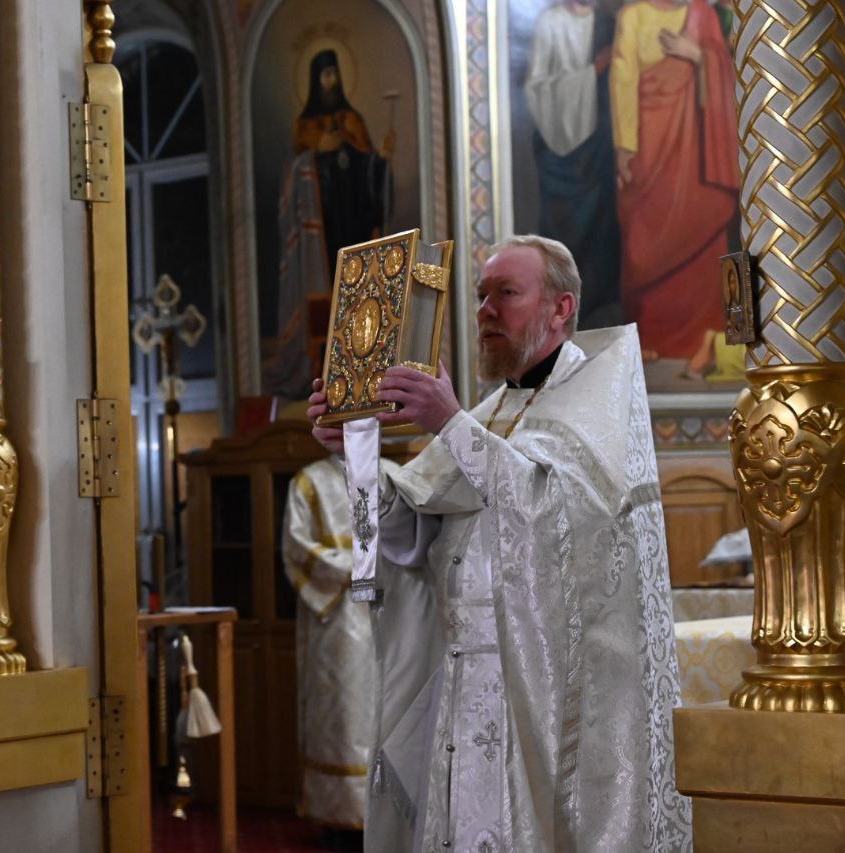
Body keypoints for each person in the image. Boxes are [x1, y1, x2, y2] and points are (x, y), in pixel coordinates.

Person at [308, 235, 690, 851]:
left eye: (506, 294)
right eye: (482, 296)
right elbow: (409, 540)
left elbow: (553, 516)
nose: (486, 310)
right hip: (464, 677)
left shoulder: (592, 403)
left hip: (537, 686)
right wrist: (358, 447)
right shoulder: (490, 413)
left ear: (561, 308)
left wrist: (449, 424)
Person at [611, 0, 738, 361]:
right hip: (648, 151)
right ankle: (650, 340)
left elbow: (726, 74)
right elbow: (623, 78)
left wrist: (698, 55)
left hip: (698, 154)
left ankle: (706, 342)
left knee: (702, 234)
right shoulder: (633, 16)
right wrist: (624, 147)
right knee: (644, 241)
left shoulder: (704, 14)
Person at [266, 50, 392, 398]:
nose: (332, 81)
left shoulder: (353, 119)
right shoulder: (304, 128)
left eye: (335, 74)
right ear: (314, 80)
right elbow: (291, 177)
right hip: (318, 235)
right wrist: (316, 150)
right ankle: (324, 379)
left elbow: (367, 167)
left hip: (352, 222)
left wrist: (378, 158)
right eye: (325, 75)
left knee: (356, 299)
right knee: (326, 302)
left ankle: (362, 375)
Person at [283, 455, 384, 833]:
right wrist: (360, 568)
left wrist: (386, 568)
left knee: (386, 710)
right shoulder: (308, 482)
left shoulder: (390, 475)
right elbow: (297, 547)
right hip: (337, 620)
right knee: (341, 714)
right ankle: (340, 818)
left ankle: (386, 815)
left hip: (387, 612)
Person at [524, 0, 621, 327]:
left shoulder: (608, 22)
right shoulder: (550, 22)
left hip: (601, 152)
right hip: (561, 156)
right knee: (563, 237)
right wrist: (590, 72)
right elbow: (537, 88)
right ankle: (562, 316)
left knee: (604, 230)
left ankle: (599, 312)